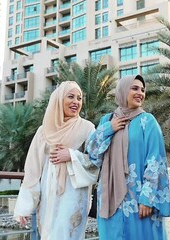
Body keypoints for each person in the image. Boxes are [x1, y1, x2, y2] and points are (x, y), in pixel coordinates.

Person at [86, 75, 170, 239]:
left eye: (143, 90)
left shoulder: (148, 121)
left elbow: (156, 161)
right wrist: (109, 128)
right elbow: (93, 154)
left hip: (138, 199)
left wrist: (147, 198)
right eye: (135, 88)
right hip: (109, 200)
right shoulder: (107, 119)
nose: (140, 93)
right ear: (122, 91)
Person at [13, 81, 99, 239]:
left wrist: (72, 155)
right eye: (71, 97)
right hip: (48, 195)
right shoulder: (43, 131)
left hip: (75, 196)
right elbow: (33, 169)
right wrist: (25, 207)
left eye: (79, 98)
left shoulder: (87, 128)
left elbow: (96, 161)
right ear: (59, 99)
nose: (76, 102)